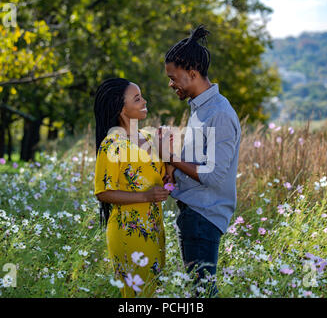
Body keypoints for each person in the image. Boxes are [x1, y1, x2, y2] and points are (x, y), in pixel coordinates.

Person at [159, 24, 241, 297]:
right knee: (200, 291)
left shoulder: (219, 113)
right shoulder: (200, 109)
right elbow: (197, 162)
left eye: (173, 78)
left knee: (203, 293)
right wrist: (173, 168)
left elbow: (213, 174)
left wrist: (171, 158)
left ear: (192, 73)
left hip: (204, 216)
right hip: (194, 214)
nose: (170, 84)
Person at [93, 78, 171, 297]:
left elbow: (161, 178)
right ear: (121, 107)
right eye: (137, 98)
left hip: (155, 228)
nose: (144, 101)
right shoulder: (112, 144)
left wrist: (169, 160)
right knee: (138, 296)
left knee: (152, 292)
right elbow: (103, 192)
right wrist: (145, 196)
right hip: (129, 230)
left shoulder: (148, 136)